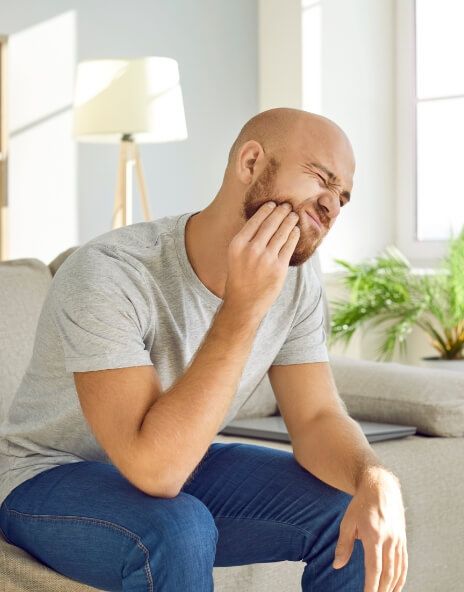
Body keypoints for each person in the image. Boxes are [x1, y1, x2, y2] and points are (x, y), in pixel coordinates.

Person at [0, 107, 408, 591]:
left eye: (342, 197)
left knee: (351, 507)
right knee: (178, 528)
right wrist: (243, 308)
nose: (332, 206)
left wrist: (374, 478)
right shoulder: (109, 273)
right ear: (251, 162)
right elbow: (156, 471)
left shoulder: (297, 281)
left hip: (179, 458)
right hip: (47, 476)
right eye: (321, 178)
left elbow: (317, 416)